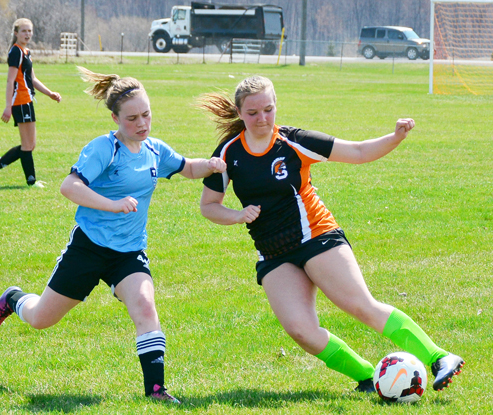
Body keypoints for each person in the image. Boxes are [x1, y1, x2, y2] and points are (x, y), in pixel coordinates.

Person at [197, 75, 464, 393]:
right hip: (273, 253)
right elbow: (209, 206)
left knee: (360, 305)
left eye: (268, 110)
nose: (262, 119)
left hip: (317, 236)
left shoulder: (293, 141)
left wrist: (395, 137)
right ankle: (369, 378)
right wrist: (237, 216)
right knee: (301, 330)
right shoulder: (228, 153)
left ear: (276, 106)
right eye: (253, 113)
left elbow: (359, 152)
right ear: (240, 112)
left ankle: (439, 357)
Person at [0, 66, 226, 403]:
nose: (141, 124)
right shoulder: (104, 149)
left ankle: (156, 390)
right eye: (132, 118)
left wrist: (209, 165)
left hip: (128, 252)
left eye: (146, 115)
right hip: (89, 249)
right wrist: (113, 205)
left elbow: (187, 167)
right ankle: (13, 298)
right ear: (115, 118)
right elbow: (69, 186)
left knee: (145, 306)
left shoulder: (155, 150)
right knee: (40, 319)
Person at [0, 18, 61, 188]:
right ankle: (31, 181)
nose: (27, 34)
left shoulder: (26, 52)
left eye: (29, 31)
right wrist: (8, 106)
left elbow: (33, 79)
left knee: (30, 144)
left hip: (27, 100)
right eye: (24, 31)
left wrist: (50, 93)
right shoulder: (16, 52)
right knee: (27, 145)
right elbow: (10, 81)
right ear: (16, 33)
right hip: (19, 101)